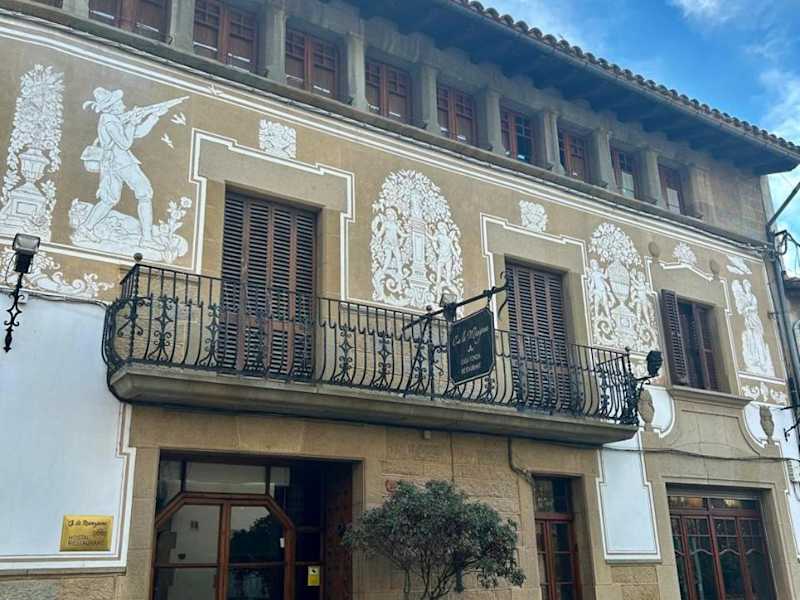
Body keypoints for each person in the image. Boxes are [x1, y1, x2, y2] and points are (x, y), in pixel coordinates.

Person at [78, 87, 165, 244]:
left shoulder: (113, 119)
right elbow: (125, 143)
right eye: (119, 103)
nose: (124, 106)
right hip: (121, 161)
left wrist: (153, 116)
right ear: (112, 107)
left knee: (109, 199)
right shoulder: (110, 122)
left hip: (113, 162)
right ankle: (146, 238)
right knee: (144, 191)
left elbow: (138, 132)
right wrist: (132, 123)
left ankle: (86, 227)